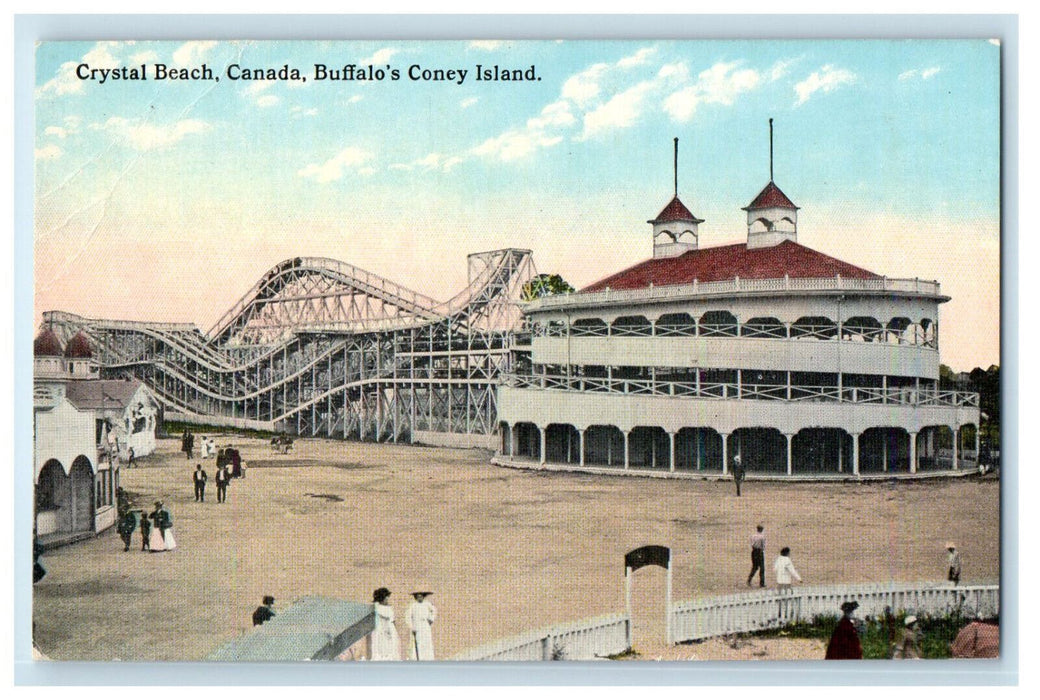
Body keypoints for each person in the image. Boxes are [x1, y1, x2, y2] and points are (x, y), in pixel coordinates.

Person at [370, 587, 400, 661]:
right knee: (382, 648)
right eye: (386, 598)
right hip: (381, 629)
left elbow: (392, 621)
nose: (387, 600)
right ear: (382, 599)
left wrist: (394, 631)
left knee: (392, 647)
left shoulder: (389, 608)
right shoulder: (378, 607)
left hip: (390, 629)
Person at [406, 591, 437, 660]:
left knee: (426, 642)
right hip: (417, 626)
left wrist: (431, 619)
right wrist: (412, 627)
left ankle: (428, 658)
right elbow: (408, 617)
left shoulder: (427, 604)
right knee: (418, 642)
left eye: (421, 596)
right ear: (416, 597)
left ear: (423, 597)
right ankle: (417, 658)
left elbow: (434, 611)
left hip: (425, 626)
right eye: (418, 597)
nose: (419, 598)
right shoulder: (412, 606)